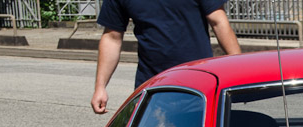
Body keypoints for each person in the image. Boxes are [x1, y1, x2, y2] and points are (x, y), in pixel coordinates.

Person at [91, 0, 241, 114]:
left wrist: (239, 73)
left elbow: (219, 22)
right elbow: (112, 37)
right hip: (153, 88)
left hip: (199, 87)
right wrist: (100, 87)